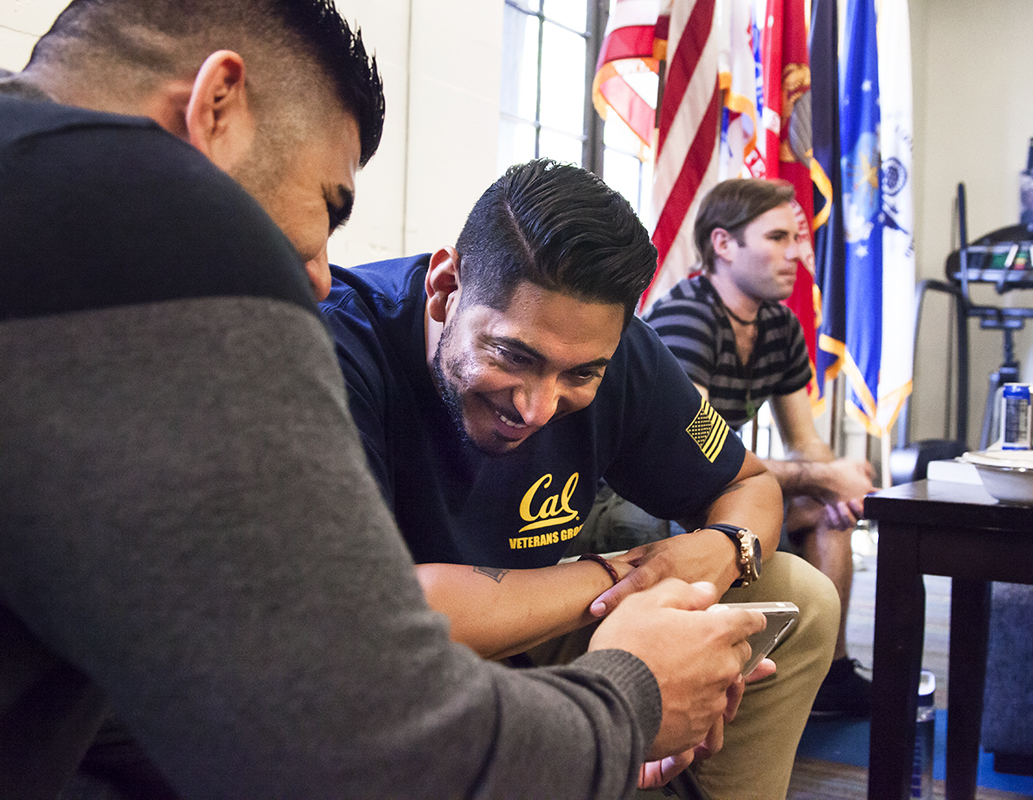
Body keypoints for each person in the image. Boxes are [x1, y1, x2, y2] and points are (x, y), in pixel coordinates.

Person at [0, 2, 773, 798]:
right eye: (328, 206)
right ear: (216, 108)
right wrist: (633, 692)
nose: (319, 275)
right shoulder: (171, 239)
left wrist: (724, 550)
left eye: (578, 373)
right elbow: (377, 745)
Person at [320, 159, 841, 799]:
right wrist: (629, 578)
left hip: (529, 620)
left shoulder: (621, 351)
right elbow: (378, 610)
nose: (536, 408)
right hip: (381, 662)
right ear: (445, 286)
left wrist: (727, 545)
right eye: (514, 355)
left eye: (579, 375)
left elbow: (750, 481)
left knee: (799, 597)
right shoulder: (333, 349)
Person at [641, 177, 876, 717]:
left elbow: (806, 442)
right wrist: (821, 475)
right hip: (644, 486)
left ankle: (828, 674)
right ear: (722, 245)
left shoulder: (779, 324)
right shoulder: (689, 317)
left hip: (712, 475)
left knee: (825, 510)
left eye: (797, 238)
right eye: (777, 238)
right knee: (812, 490)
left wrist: (836, 476)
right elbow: (692, 446)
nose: (797, 253)